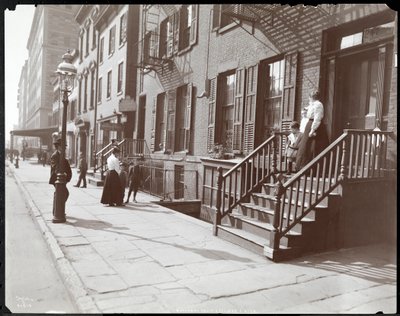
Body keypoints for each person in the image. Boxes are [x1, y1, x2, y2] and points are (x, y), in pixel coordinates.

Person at [296, 90, 328, 171]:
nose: (309, 99)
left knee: (314, 147)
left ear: (312, 97)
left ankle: (313, 169)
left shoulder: (318, 105)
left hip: (316, 127)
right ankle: (303, 168)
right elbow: (308, 112)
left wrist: (313, 130)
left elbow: (317, 118)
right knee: (306, 146)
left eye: (310, 97)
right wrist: (305, 110)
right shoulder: (312, 104)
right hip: (309, 125)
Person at [49, 138, 72, 215]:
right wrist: (61, 174)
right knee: (62, 193)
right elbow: (55, 167)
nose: (65, 148)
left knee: (62, 193)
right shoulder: (55, 155)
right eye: (63, 146)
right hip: (56, 179)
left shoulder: (61, 154)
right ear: (58, 146)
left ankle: (58, 210)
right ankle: (57, 211)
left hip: (62, 179)